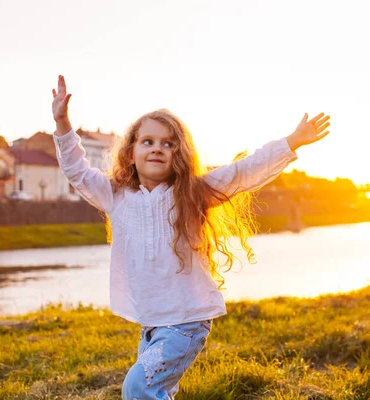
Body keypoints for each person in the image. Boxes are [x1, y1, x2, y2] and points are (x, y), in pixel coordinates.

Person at [51, 75, 330, 399]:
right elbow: (78, 171)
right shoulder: (115, 195)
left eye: (168, 143)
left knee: (137, 388)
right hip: (152, 324)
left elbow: (244, 171)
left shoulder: (194, 193)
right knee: (156, 392)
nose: (158, 148)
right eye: (148, 141)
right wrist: (62, 122)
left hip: (186, 322)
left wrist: (291, 141)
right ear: (130, 152)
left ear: (179, 154)